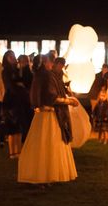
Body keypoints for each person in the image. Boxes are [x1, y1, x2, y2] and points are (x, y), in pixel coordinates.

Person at [18, 54, 78, 185]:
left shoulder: (39, 75)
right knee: (49, 145)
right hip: (49, 116)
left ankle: (39, 174)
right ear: (48, 63)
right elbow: (51, 97)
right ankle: (47, 174)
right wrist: (69, 101)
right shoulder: (47, 76)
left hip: (40, 116)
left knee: (40, 145)